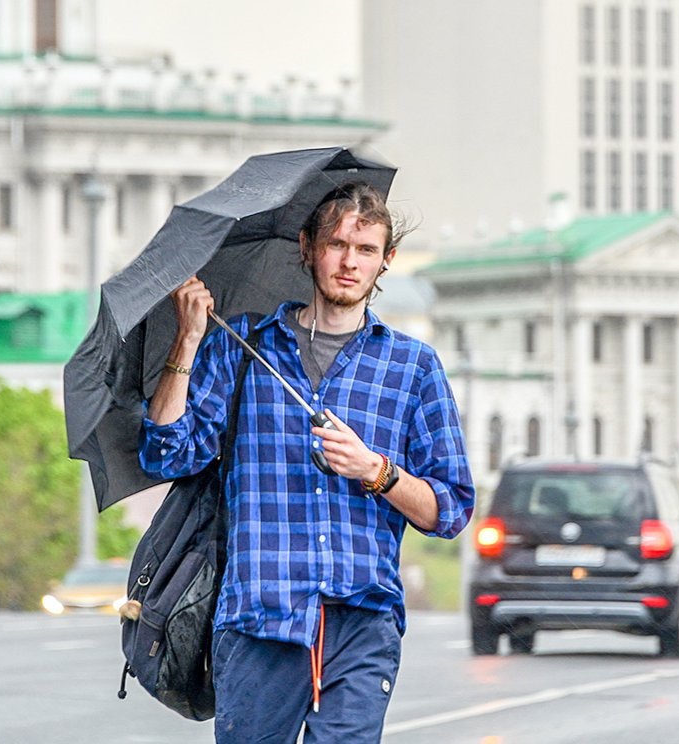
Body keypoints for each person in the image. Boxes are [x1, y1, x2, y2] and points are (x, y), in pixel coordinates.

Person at [140, 182, 474, 743]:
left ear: (386, 261)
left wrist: (376, 470)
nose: (349, 262)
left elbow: (450, 510)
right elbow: (165, 452)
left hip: (361, 623)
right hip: (259, 618)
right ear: (307, 247)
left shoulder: (413, 368)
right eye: (337, 244)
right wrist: (188, 342)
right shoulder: (243, 347)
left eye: (366, 250)